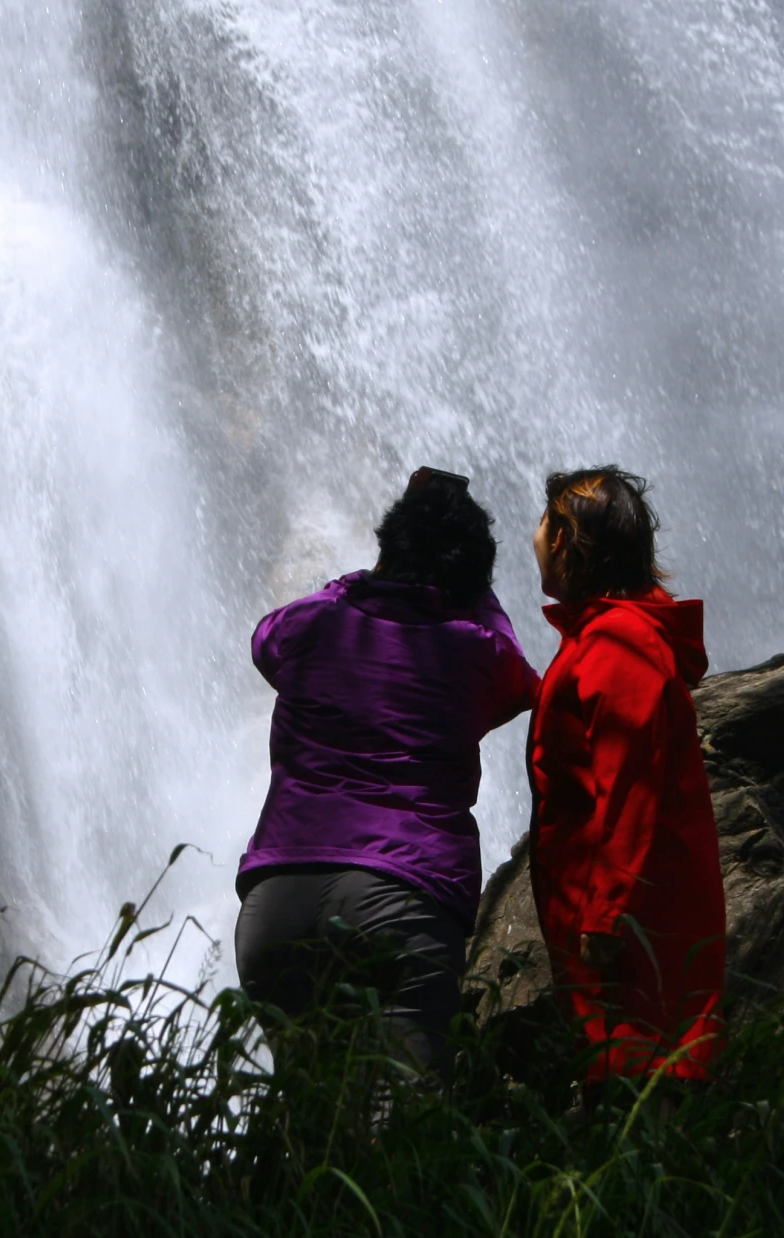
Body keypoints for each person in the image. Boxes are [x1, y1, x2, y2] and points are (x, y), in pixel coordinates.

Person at [235, 468, 540, 1081]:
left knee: (312, 1124)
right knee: (401, 1131)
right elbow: (521, 681)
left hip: (276, 905)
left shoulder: (311, 625)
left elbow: (267, 638)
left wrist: (369, 581)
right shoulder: (477, 651)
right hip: (402, 900)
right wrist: (477, 596)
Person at [528, 466, 726, 1089]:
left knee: (639, 1073)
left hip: (631, 920)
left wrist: (607, 917)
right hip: (628, 904)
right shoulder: (613, 636)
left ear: (563, 540)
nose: (533, 536)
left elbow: (630, 783)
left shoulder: (617, 645)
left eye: (543, 523)